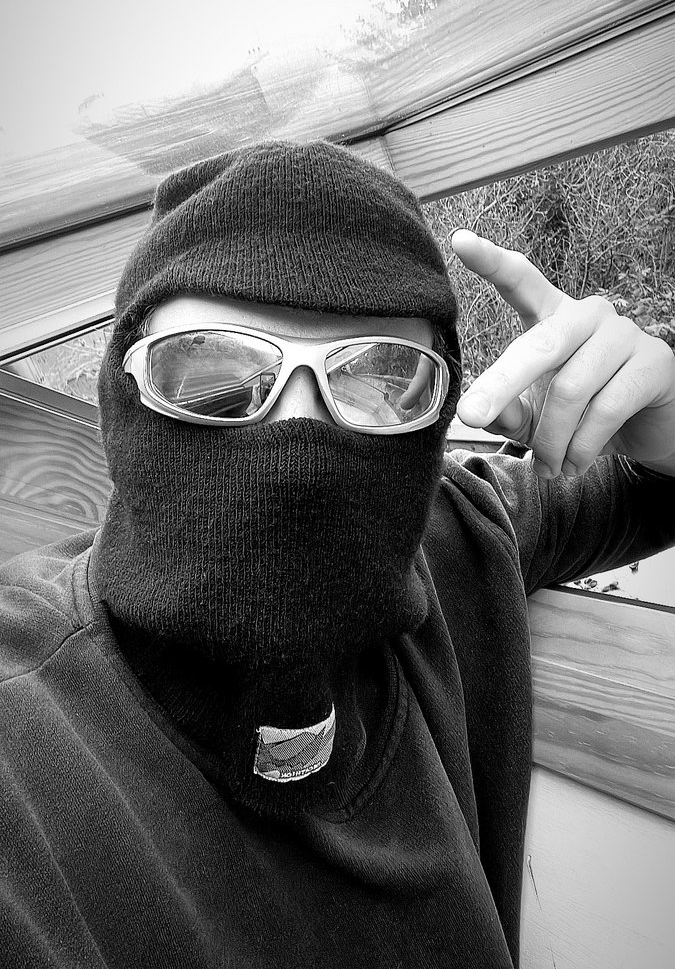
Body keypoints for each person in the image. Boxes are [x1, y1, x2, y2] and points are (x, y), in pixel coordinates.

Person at [1, 139, 674, 969]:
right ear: (122, 391)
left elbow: (651, 491)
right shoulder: (22, 736)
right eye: (212, 374)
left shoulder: (457, 539)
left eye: (376, 375)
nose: (298, 437)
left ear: (433, 409)